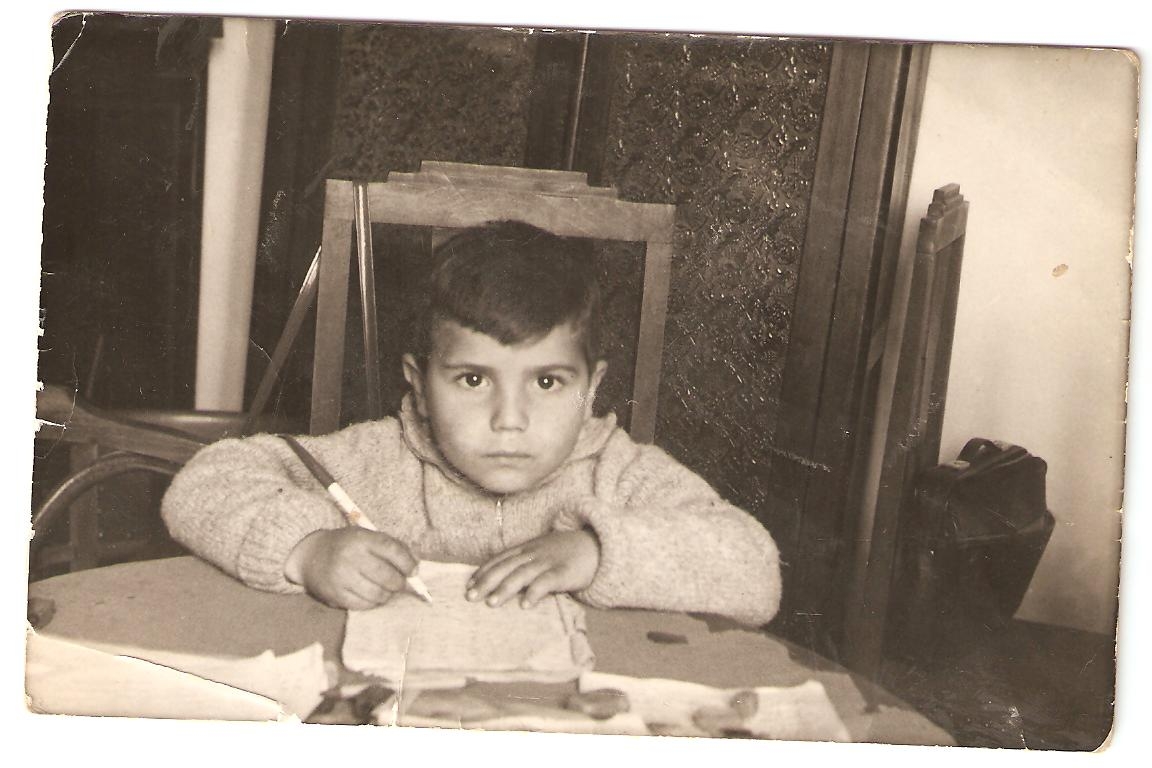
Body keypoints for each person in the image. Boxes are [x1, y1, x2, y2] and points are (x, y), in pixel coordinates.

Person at [162, 221, 782, 626]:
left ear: (590, 388)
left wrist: (597, 553)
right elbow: (203, 483)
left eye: (546, 382)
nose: (508, 421)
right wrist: (309, 550)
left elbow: (756, 571)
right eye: (472, 379)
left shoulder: (620, 474)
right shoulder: (379, 458)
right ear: (420, 386)